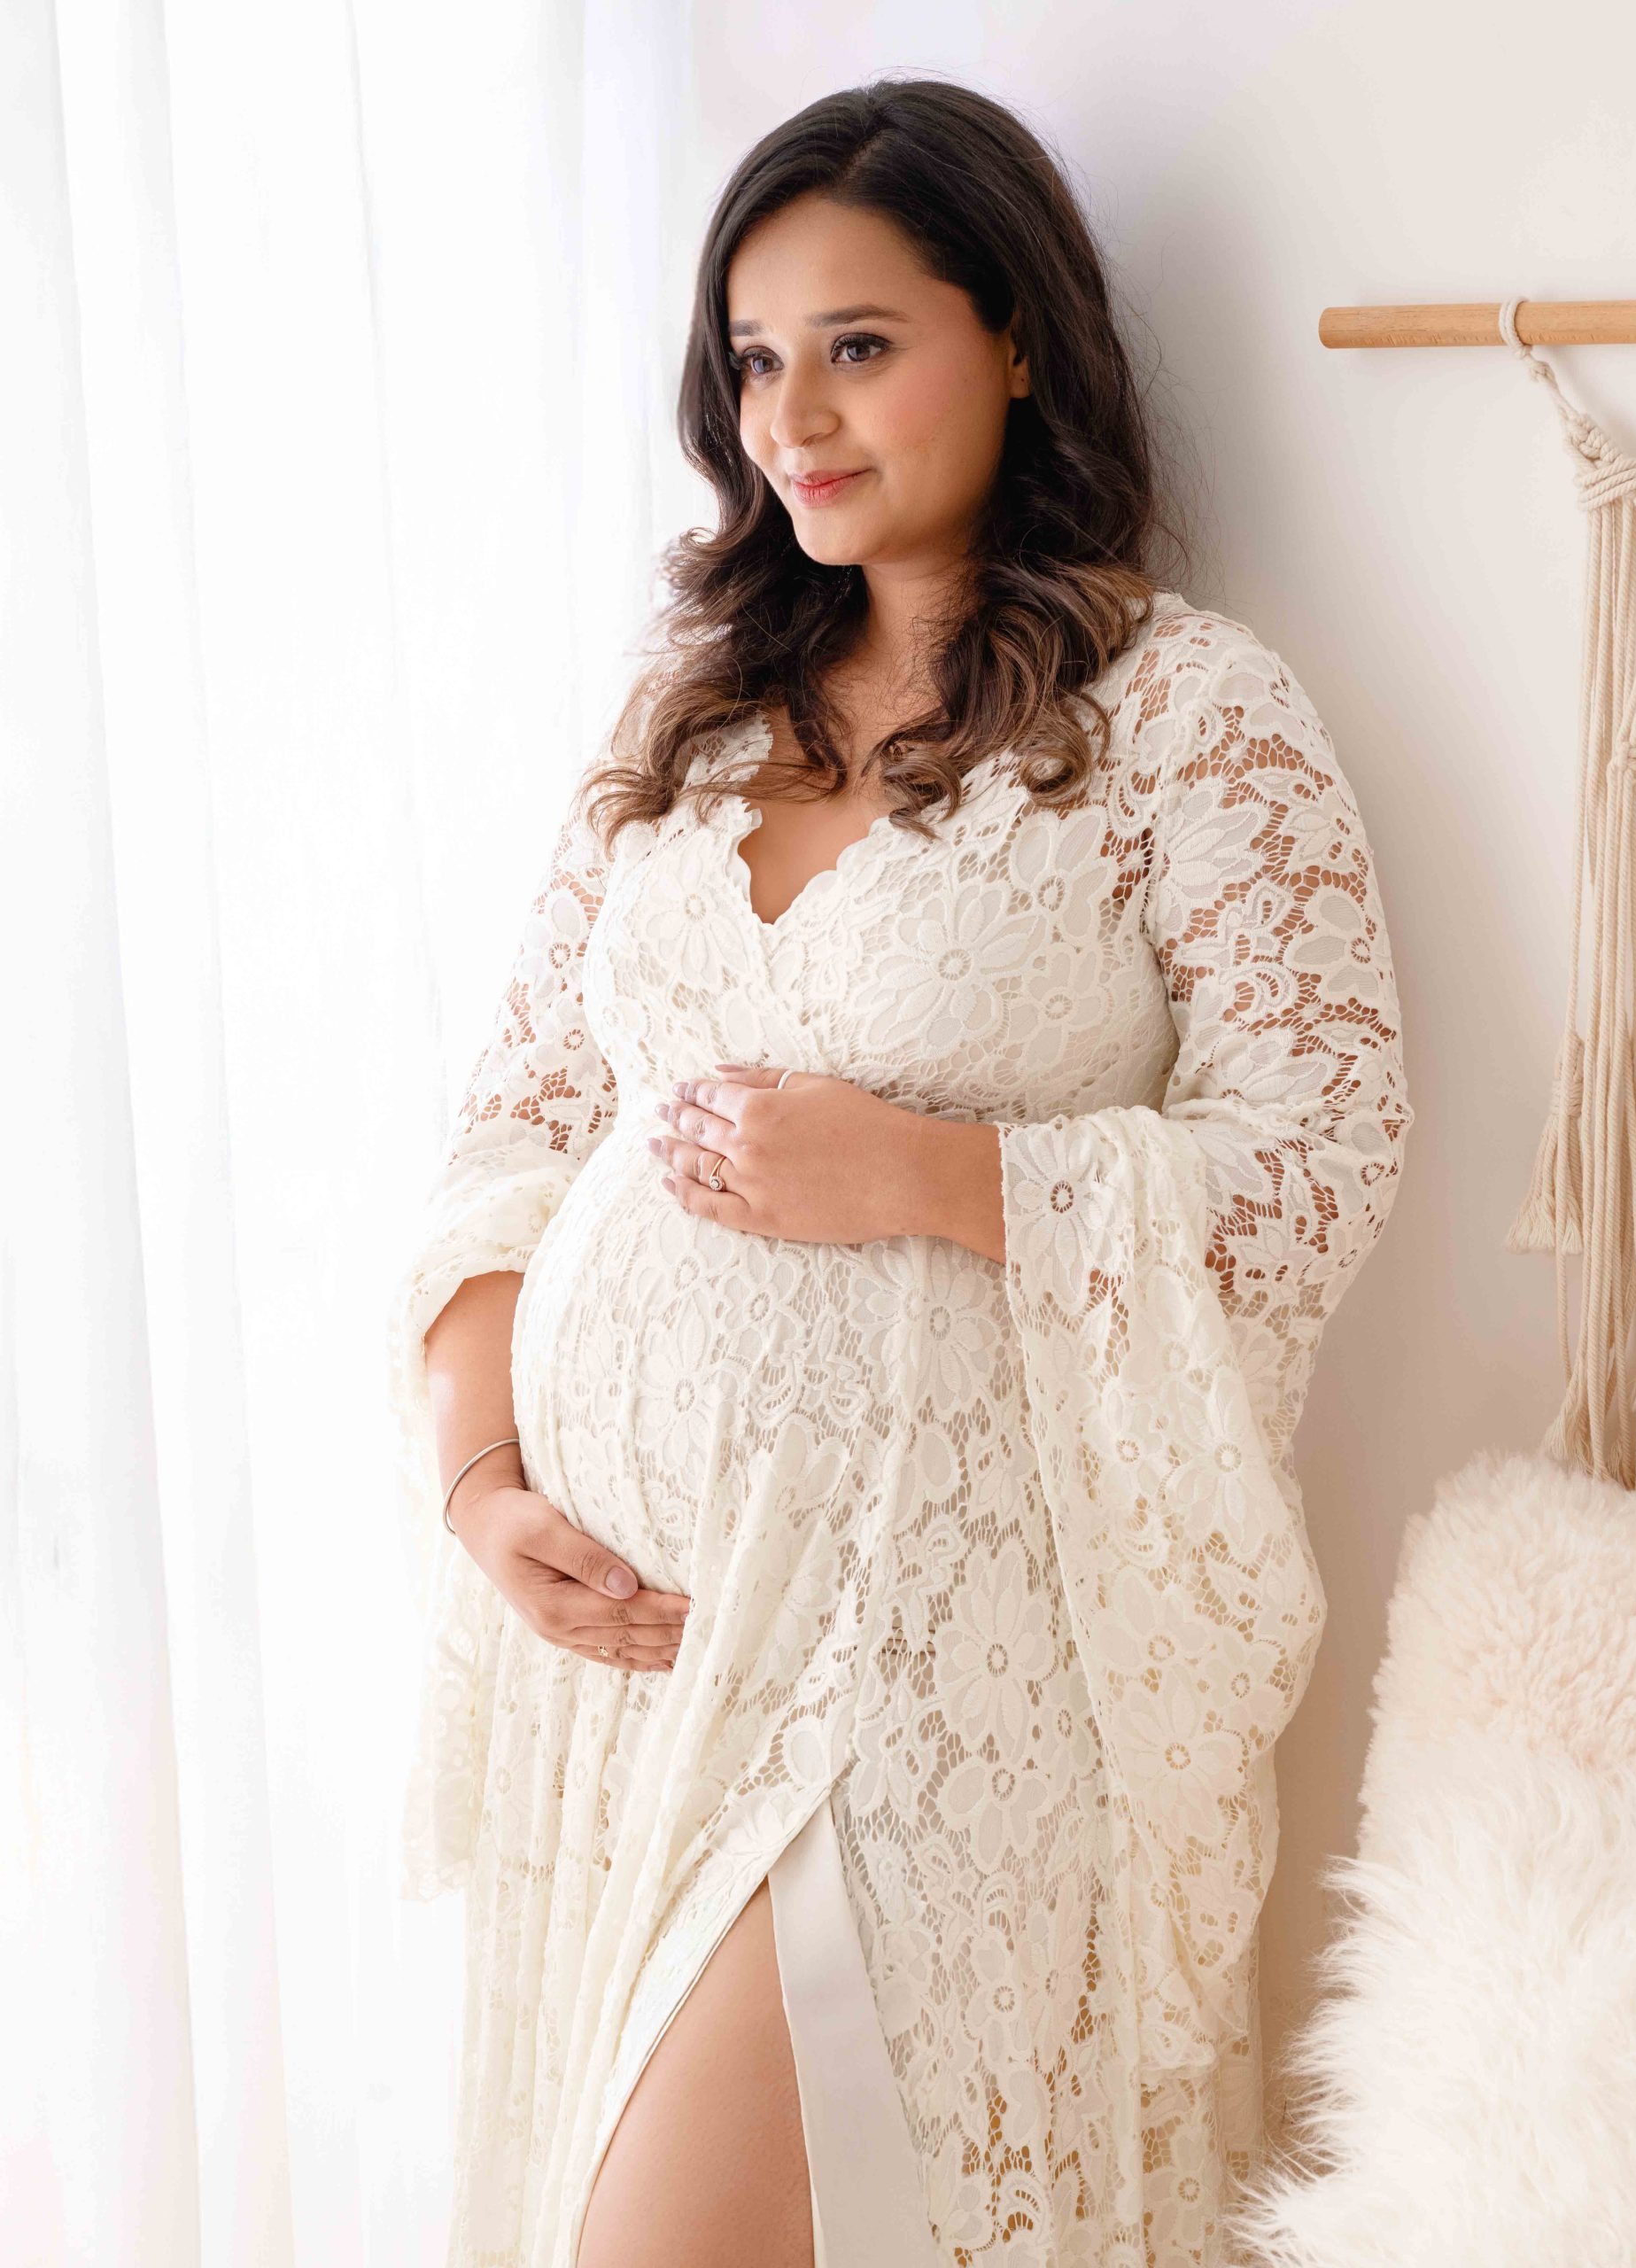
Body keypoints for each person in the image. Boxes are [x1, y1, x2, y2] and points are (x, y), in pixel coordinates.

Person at [388, 73, 1414, 2268]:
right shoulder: (686, 718)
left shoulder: (1184, 716)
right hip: (628, 1654)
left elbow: (1321, 1157)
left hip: (926, 1651)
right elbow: (516, 1122)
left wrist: (940, 1174)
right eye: (755, 359)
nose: (794, 418)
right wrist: (481, 1479)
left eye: (859, 343)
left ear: (1015, 336)